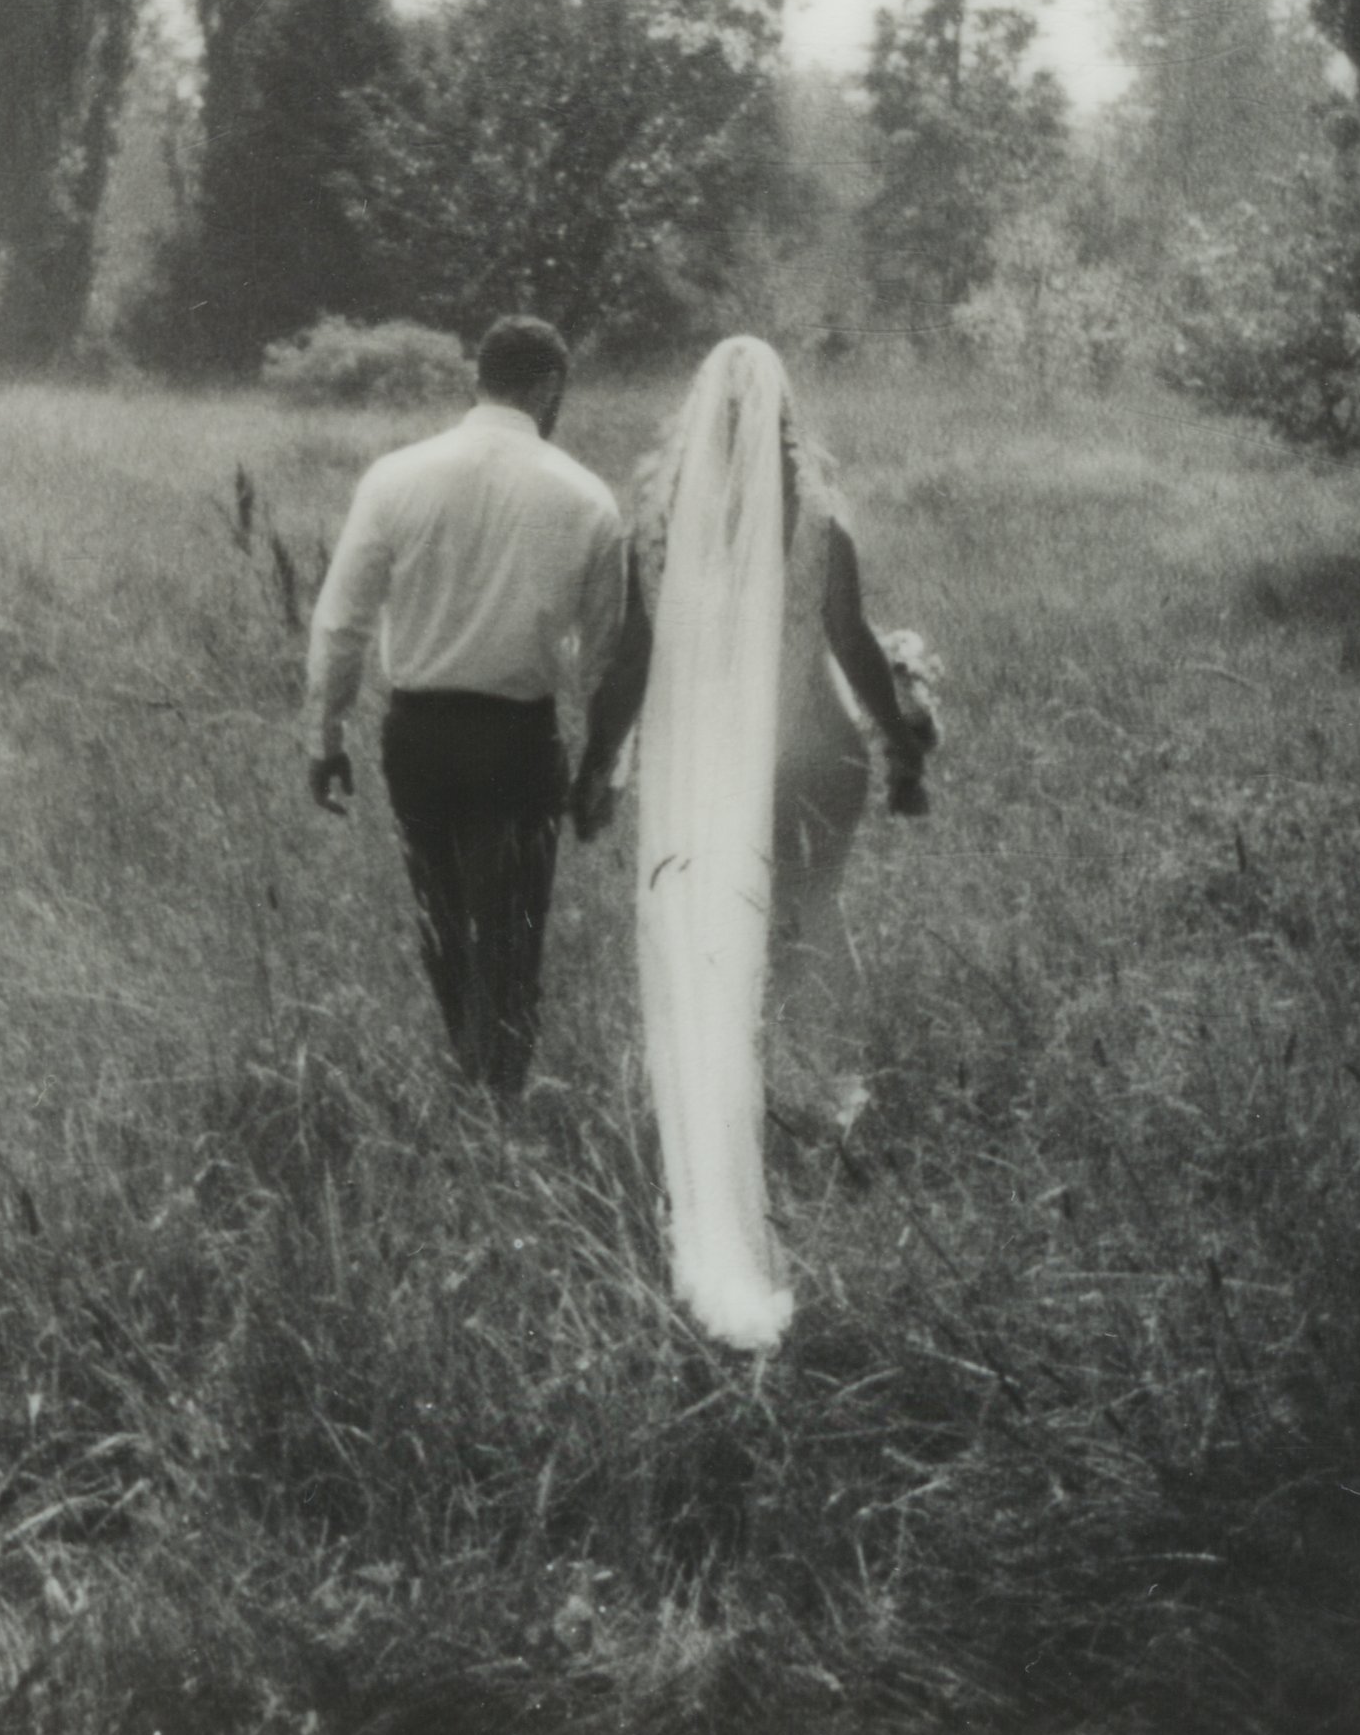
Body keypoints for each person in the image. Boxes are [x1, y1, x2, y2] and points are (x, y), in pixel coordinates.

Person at [567, 337, 932, 1351]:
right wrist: (903, 749)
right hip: (813, 751)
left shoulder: (657, 526)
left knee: (716, 940)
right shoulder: (818, 516)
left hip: (706, 768)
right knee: (812, 922)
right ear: (782, 422)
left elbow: (630, 663)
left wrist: (595, 767)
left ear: (694, 424)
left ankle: (732, 1113)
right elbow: (852, 643)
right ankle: (815, 1105)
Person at [304, 315, 627, 1097]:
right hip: (517, 739)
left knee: (444, 922)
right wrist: (603, 769)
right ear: (549, 387)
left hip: (419, 736)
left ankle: (470, 1076)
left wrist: (326, 737)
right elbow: (606, 660)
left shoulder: (395, 477)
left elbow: (341, 621)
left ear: (476, 380)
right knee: (512, 931)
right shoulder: (586, 497)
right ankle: (498, 1094)